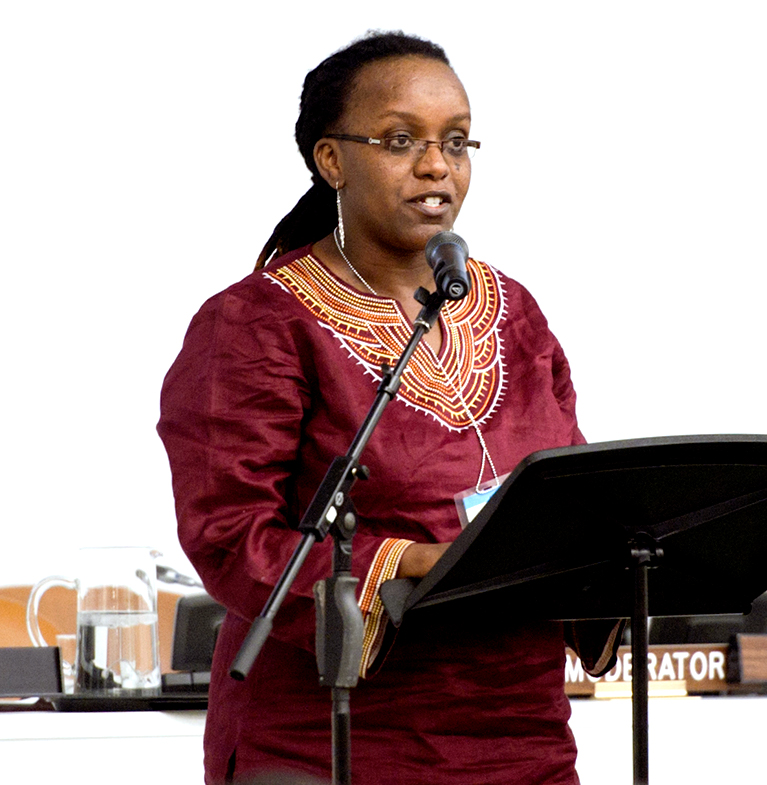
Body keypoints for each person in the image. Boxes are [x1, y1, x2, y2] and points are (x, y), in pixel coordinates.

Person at [158, 31, 620, 785]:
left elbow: (568, 493)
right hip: (331, 742)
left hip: (521, 737)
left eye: (456, 142)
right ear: (331, 159)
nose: (437, 165)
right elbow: (231, 536)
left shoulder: (514, 313)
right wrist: (410, 563)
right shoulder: (256, 323)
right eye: (401, 141)